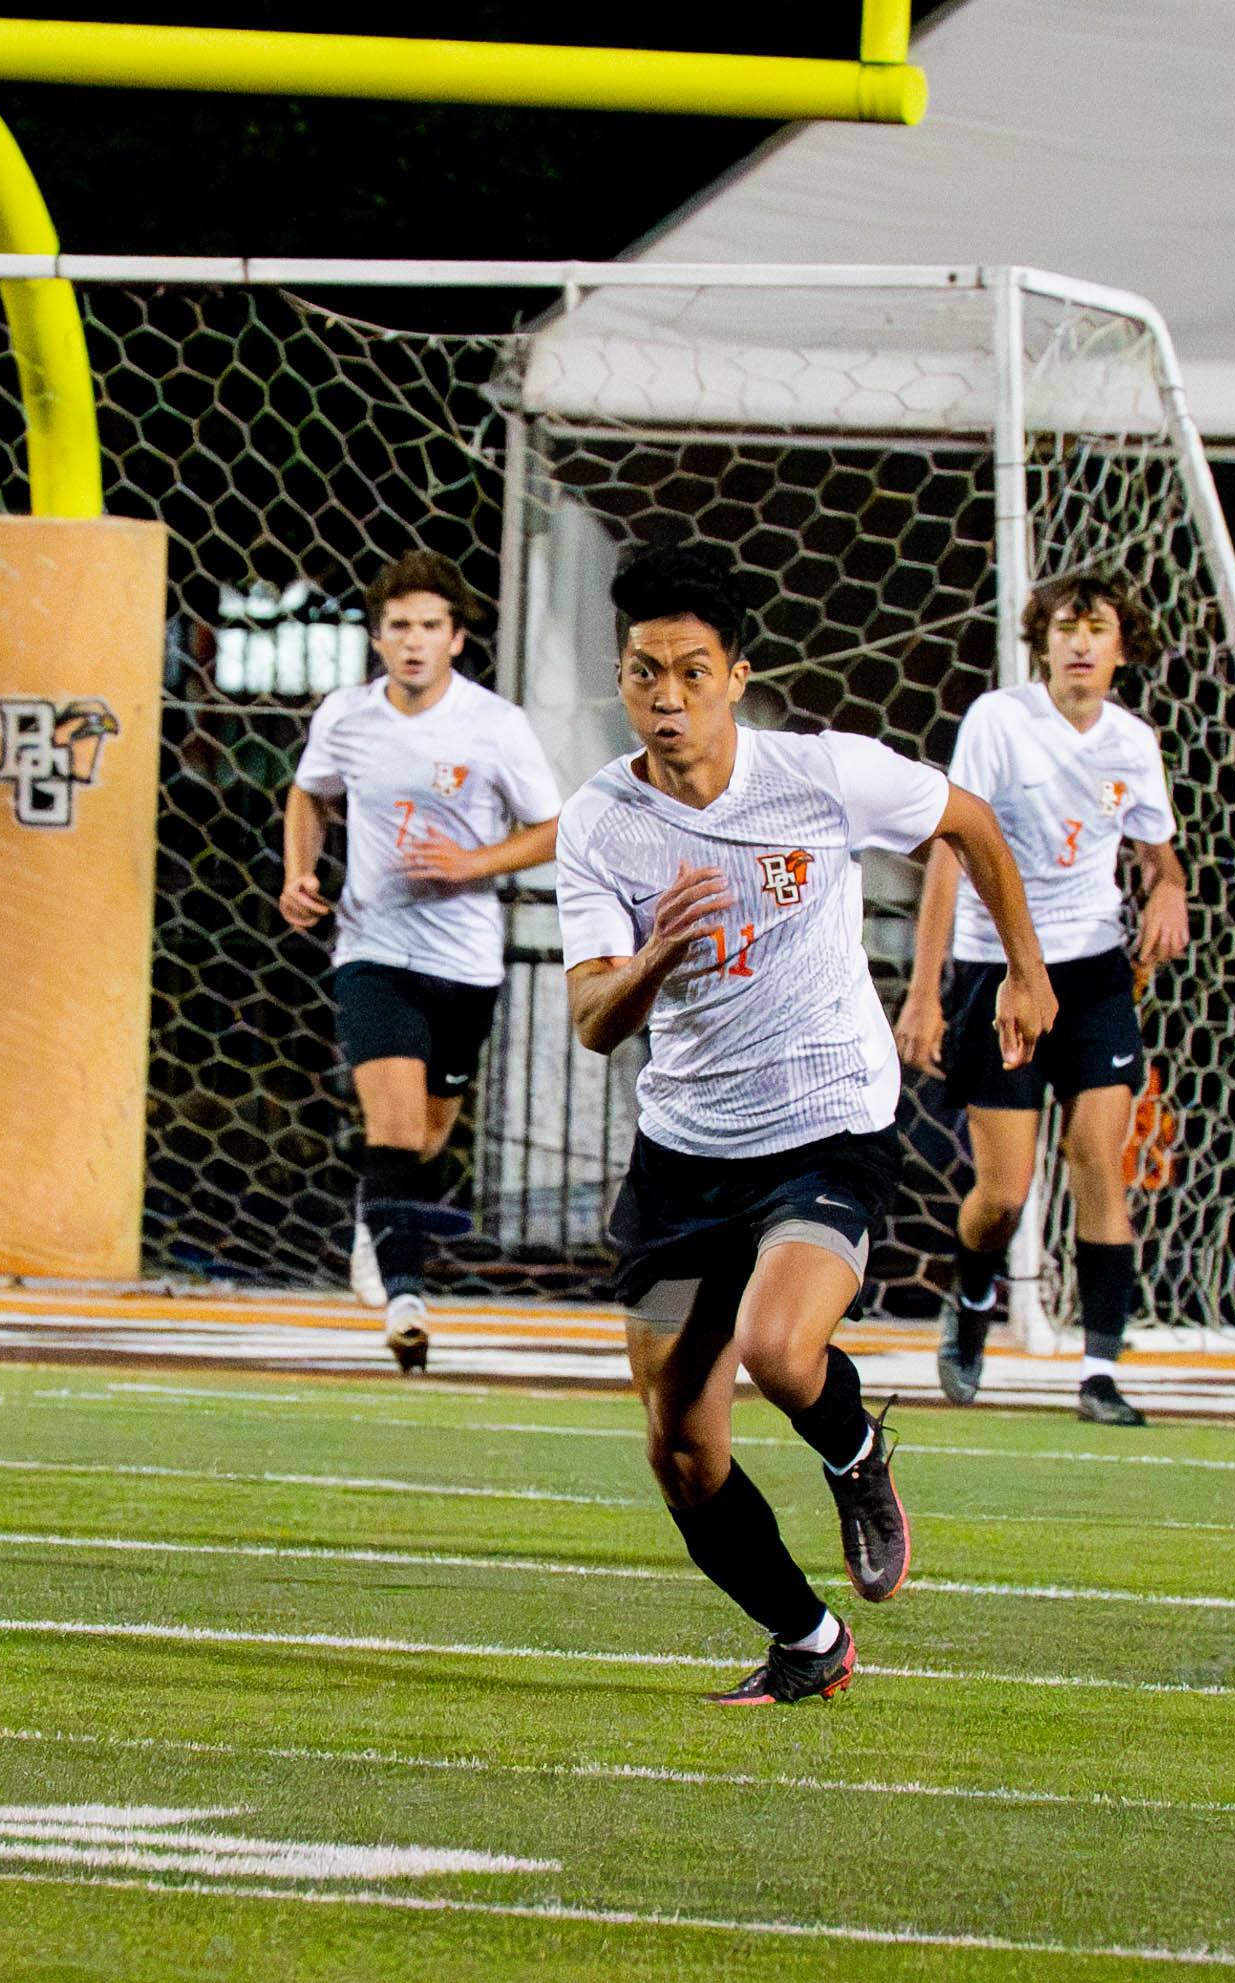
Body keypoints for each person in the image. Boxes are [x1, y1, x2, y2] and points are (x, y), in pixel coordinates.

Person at [558, 542, 1053, 1705]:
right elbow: (589, 1015)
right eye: (642, 675)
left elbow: (969, 823)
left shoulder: (822, 776)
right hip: (683, 1152)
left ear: (736, 675)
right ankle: (806, 1640)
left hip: (825, 1121)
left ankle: (855, 1452)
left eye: (689, 671)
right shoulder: (599, 822)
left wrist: (1024, 971)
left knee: (781, 1349)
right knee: (680, 1448)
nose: (665, 698)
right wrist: (652, 962)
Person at [896, 571, 1189, 1425]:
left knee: (1101, 1159)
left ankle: (1099, 1371)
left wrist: (1167, 886)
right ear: (1043, 639)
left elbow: (1154, 850)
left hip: (1091, 970)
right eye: (1067, 626)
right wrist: (925, 991)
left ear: (1121, 649)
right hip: (996, 972)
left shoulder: (1132, 743)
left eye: (1098, 630)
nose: (1081, 643)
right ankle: (975, 1287)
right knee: (1004, 1194)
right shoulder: (999, 721)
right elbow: (950, 847)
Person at [281, 552, 561, 1371]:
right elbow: (309, 791)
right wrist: (299, 872)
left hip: (466, 963)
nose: (412, 642)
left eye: (428, 626)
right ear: (377, 638)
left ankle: (382, 1214)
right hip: (373, 947)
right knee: (394, 1124)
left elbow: (552, 826)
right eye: (398, 626)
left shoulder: (493, 725)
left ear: (456, 637)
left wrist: (472, 864)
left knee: (430, 1132)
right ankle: (404, 1298)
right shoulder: (346, 716)